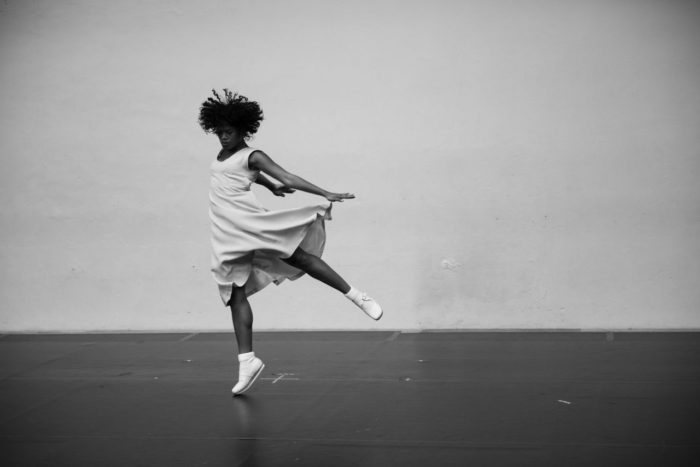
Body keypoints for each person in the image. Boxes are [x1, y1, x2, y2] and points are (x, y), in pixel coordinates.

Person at [199, 89, 383, 396]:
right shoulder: (223, 156)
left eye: (228, 132)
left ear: (244, 130)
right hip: (225, 231)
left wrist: (323, 192)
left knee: (298, 258)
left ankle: (356, 296)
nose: (222, 138)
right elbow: (242, 176)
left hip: (248, 223)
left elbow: (287, 176)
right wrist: (268, 186)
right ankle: (248, 360)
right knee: (234, 292)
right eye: (218, 132)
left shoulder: (253, 155)